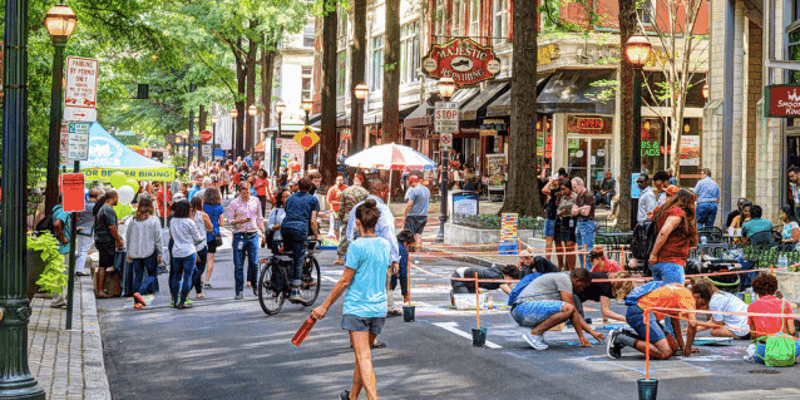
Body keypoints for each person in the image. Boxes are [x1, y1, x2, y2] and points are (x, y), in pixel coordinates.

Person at [311, 199, 390, 400]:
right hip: (379, 308)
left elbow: (345, 280)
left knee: (363, 357)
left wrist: (325, 305)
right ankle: (352, 396)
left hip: (357, 308)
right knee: (362, 357)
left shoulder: (356, 247)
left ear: (357, 223)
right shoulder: (385, 245)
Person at [510, 269, 605, 350]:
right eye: (582, 286)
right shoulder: (564, 279)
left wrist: (592, 333)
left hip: (522, 311)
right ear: (577, 280)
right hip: (523, 308)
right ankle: (534, 334)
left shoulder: (563, 279)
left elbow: (574, 314)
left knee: (567, 309)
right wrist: (581, 336)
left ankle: (536, 334)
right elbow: (572, 311)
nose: (581, 290)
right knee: (568, 308)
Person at [346, 181, 401, 318]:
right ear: (381, 191)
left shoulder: (357, 208)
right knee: (381, 285)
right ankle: (380, 310)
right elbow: (389, 234)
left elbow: (349, 233)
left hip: (360, 255)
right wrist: (395, 259)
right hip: (381, 257)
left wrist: (352, 249)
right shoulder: (383, 210)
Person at [606, 282, 698, 360]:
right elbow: (693, 324)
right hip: (640, 312)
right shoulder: (688, 298)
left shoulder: (680, 291)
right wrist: (688, 349)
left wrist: (683, 347)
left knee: (674, 347)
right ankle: (619, 338)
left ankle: (627, 335)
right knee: (666, 352)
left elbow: (675, 323)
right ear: (698, 296)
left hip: (644, 312)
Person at [281, 177, 322, 302]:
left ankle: (283, 278)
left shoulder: (290, 198)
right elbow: (313, 221)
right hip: (300, 230)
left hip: (285, 228)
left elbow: (288, 212)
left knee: (287, 254)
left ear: (298, 186)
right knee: (299, 259)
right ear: (310, 188)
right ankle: (295, 290)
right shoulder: (313, 200)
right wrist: (317, 235)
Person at [745, 275, 800, 365]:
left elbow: (753, 335)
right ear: (774, 289)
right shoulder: (785, 304)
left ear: (757, 290)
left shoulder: (752, 306)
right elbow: (792, 331)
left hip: (764, 353)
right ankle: (791, 358)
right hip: (784, 349)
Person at [225, 182, 266, 300]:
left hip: (252, 235)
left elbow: (259, 217)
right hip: (239, 235)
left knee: (254, 263)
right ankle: (239, 291)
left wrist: (262, 231)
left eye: (248, 192)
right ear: (239, 192)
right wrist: (239, 221)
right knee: (238, 265)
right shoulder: (234, 204)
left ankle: (255, 285)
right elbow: (229, 220)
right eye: (244, 193)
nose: (247, 195)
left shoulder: (256, 201)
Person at [649, 189, 697, 284]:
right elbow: (664, 232)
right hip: (671, 262)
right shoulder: (677, 213)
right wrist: (654, 254)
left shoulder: (665, 209)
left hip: (660, 262)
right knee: (674, 296)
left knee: (662, 296)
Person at [125, 197, 164, 309]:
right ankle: (140, 292)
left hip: (135, 252)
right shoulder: (154, 220)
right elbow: (158, 238)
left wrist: (128, 252)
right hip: (149, 251)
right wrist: (160, 253)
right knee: (152, 274)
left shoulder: (133, 220)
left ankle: (136, 302)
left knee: (138, 276)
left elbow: (128, 237)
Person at [169, 200, 205, 310]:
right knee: (187, 277)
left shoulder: (173, 221)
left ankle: (175, 300)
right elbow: (198, 238)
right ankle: (183, 301)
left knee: (177, 276)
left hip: (176, 252)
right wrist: (204, 235)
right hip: (189, 251)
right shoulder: (189, 222)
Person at [94, 190, 123, 298]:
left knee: (104, 265)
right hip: (106, 240)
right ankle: (101, 290)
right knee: (103, 265)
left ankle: (102, 289)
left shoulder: (102, 208)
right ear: (113, 198)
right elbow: (112, 228)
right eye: (117, 197)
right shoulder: (108, 209)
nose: (118, 200)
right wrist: (118, 240)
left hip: (101, 240)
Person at [336, 175, 370, 265]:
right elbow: (367, 206)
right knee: (360, 237)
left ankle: (340, 257)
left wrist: (341, 216)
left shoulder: (346, 191)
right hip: (359, 217)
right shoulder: (365, 192)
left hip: (347, 216)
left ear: (353, 180)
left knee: (344, 237)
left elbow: (342, 206)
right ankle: (360, 258)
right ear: (361, 181)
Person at [543, 172, 567, 270]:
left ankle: (552, 264)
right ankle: (558, 264)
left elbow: (544, 190)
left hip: (553, 219)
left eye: (555, 180)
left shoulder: (556, 191)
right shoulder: (555, 191)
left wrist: (550, 182)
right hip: (552, 218)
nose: (553, 182)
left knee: (553, 242)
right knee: (555, 242)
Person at [50, 197, 72, 308]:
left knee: (58, 274)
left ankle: (58, 298)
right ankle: (59, 300)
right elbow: (57, 224)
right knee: (62, 275)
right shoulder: (64, 211)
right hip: (63, 247)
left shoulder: (55, 209)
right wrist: (63, 238)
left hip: (57, 246)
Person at [203, 188, 226, 288]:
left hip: (203, 234)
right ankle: (207, 281)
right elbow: (222, 223)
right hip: (214, 234)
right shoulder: (219, 207)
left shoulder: (203, 206)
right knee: (210, 258)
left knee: (201, 258)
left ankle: (199, 280)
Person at [190, 196, 213, 299]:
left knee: (194, 269)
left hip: (190, 245)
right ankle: (188, 288)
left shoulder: (188, 215)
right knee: (201, 268)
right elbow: (210, 227)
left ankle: (199, 291)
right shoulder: (203, 215)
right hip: (201, 244)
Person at [571, 177, 596, 270]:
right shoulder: (577, 197)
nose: (574, 190)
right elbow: (573, 212)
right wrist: (580, 209)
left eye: (575, 187)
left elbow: (586, 212)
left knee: (587, 249)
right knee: (580, 250)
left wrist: (579, 209)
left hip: (587, 223)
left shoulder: (588, 195)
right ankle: (583, 270)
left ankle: (590, 271)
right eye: (573, 188)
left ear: (581, 185)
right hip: (579, 223)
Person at [75, 189, 100, 277]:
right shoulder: (96, 207)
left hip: (79, 229)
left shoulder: (83, 204)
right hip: (89, 230)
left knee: (80, 250)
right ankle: (79, 270)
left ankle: (77, 268)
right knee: (84, 250)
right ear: (97, 196)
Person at [403, 175, 431, 252]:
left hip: (413, 215)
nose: (410, 185)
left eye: (411, 183)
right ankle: (418, 253)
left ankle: (406, 253)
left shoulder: (414, 190)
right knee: (418, 235)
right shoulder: (427, 190)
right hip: (424, 215)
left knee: (408, 235)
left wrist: (405, 216)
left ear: (414, 182)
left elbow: (409, 204)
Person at [557, 182, 577, 271]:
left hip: (572, 220)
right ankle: (567, 266)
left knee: (570, 246)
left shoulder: (576, 197)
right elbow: (558, 209)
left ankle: (572, 269)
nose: (563, 191)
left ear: (569, 188)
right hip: (564, 221)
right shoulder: (563, 198)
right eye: (562, 189)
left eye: (564, 189)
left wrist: (572, 211)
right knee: (566, 246)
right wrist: (560, 212)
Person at [391, 230, 414, 304]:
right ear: (405, 242)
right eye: (409, 246)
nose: (409, 249)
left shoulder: (393, 244)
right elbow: (403, 273)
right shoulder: (402, 250)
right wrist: (405, 293)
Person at [267, 188, 291, 253]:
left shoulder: (295, 210)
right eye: (285, 197)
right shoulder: (276, 210)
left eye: (289, 196)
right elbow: (269, 225)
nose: (287, 198)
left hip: (292, 240)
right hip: (279, 239)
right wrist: (277, 227)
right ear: (281, 198)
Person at [327, 175, 348, 241]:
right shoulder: (332, 189)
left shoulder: (346, 188)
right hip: (336, 211)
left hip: (345, 211)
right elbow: (329, 200)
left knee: (345, 226)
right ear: (336, 181)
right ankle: (338, 240)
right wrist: (339, 203)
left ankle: (344, 240)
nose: (340, 182)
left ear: (343, 181)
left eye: (341, 180)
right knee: (337, 227)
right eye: (338, 180)